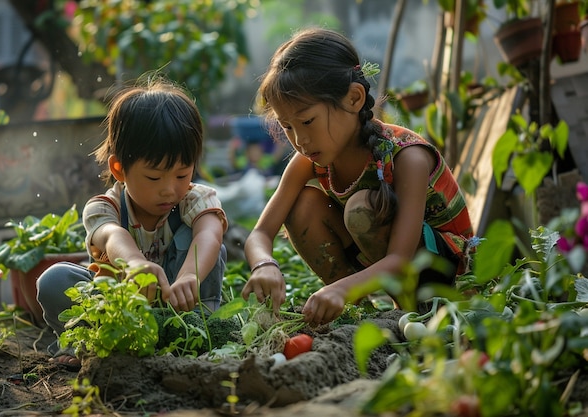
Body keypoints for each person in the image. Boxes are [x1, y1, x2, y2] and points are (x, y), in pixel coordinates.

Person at [240, 28, 475, 326]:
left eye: (308, 121)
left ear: (353, 98)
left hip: (450, 278)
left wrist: (339, 290)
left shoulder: (407, 157)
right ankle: (358, 312)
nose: (300, 140)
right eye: (288, 127)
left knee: (362, 208)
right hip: (390, 269)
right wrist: (264, 264)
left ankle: (414, 311)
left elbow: (400, 260)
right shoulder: (308, 160)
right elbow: (260, 234)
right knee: (302, 205)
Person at [37, 79, 228, 369]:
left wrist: (190, 275)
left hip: (181, 307)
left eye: (181, 174)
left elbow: (211, 233)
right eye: (154, 177)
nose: (169, 189)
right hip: (119, 314)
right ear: (119, 169)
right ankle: (84, 341)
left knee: (209, 244)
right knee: (53, 280)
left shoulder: (194, 199)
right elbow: (112, 236)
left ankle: (199, 330)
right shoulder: (105, 207)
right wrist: (135, 264)